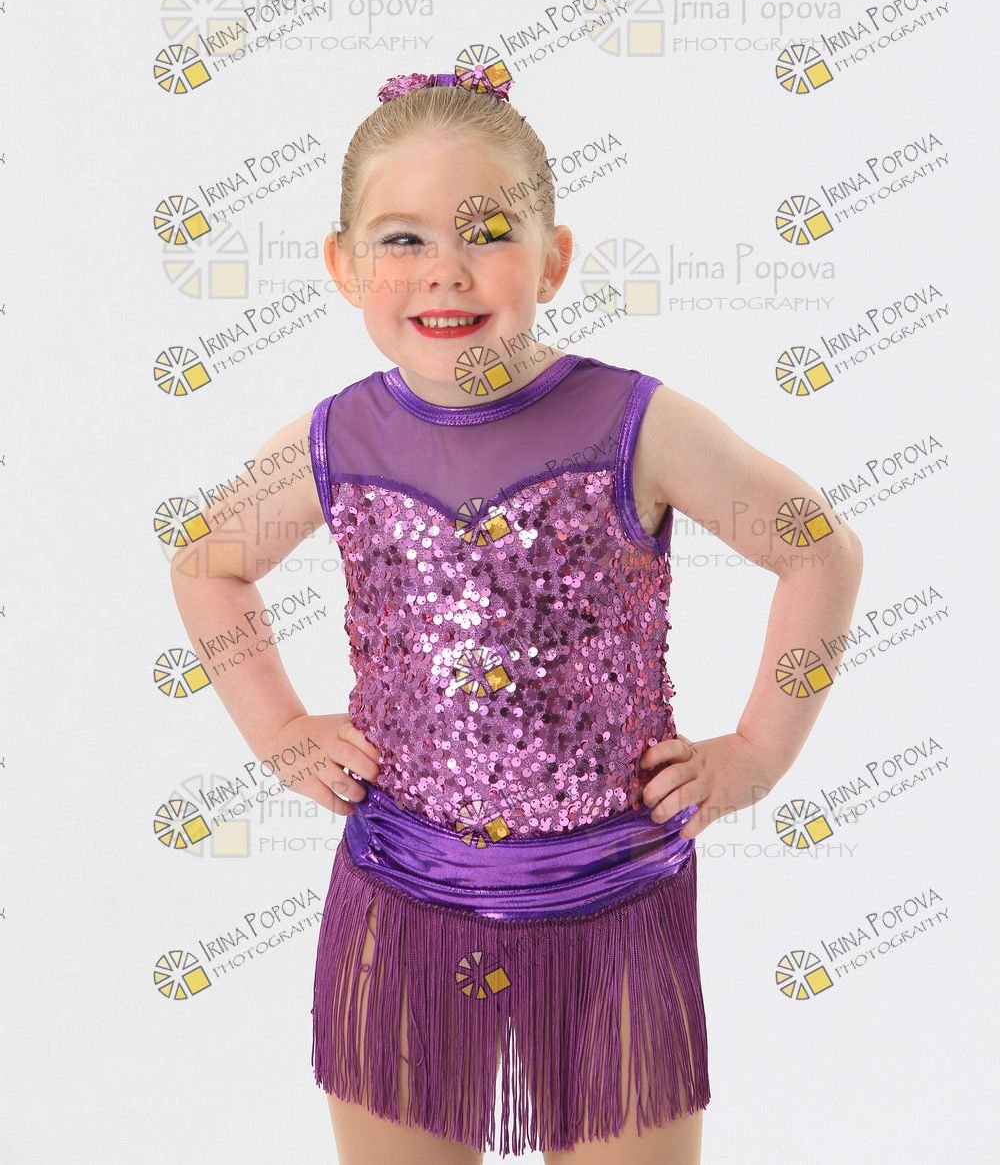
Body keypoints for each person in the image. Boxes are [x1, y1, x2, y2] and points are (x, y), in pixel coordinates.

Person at [170, 63, 864, 1165]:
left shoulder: (635, 424)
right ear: (344, 266)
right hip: (401, 894)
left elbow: (818, 550)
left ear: (554, 257)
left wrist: (756, 754)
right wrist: (280, 729)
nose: (445, 269)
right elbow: (208, 563)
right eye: (401, 239)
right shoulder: (334, 441)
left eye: (487, 231)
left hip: (613, 903)